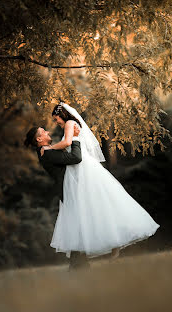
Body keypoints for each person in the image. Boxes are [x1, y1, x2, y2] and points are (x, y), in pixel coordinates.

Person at [41, 102, 160, 265]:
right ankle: (113, 241)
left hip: (81, 169)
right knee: (94, 206)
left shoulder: (69, 123)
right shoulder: (71, 124)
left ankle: (111, 242)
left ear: (63, 115)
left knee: (91, 205)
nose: (57, 123)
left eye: (56, 119)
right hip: (77, 170)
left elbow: (68, 142)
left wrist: (50, 148)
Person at [24, 125, 90, 270]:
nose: (47, 132)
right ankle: (78, 265)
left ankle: (79, 265)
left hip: (69, 190)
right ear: (39, 139)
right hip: (69, 192)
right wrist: (76, 138)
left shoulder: (48, 150)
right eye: (43, 131)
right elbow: (76, 157)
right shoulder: (47, 153)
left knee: (78, 227)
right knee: (78, 227)